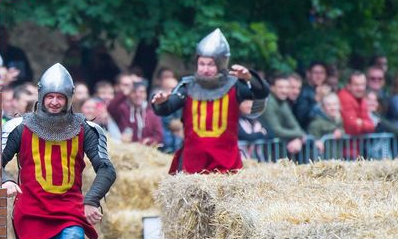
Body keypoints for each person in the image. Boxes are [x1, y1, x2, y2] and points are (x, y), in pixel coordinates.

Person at [1, 63, 116, 239]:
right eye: (50, 96)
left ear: (69, 98)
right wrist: (6, 181)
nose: (54, 102)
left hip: (69, 212)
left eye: (60, 97)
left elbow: (106, 168)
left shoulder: (86, 129)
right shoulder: (19, 127)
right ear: (41, 96)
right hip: (32, 212)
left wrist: (91, 200)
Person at [151, 29, 269, 174]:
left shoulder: (235, 86)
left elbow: (261, 92)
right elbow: (167, 108)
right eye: (202, 64)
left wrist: (249, 77)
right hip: (192, 162)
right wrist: (161, 102)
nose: (205, 69)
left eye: (210, 64)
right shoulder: (187, 86)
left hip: (226, 162)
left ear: (220, 64)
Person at [106, 79, 163, 146]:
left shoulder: (151, 113)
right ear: (129, 94)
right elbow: (111, 107)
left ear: (146, 94)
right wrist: (125, 92)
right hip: (126, 149)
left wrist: (145, 142)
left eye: (141, 92)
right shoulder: (123, 110)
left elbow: (159, 137)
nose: (138, 95)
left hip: (146, 150)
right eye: (134, 92)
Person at [264, 74, 308, 157]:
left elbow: (294, 124)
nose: (284, 91)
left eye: (287, 87)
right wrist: (301, 134)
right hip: (266, 148)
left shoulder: (282, 102)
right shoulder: (269, 103)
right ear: (272, 88)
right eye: (280, 87)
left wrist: (298, 138)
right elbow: (276, 130)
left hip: (278, 147)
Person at [338, 72, 375, 137]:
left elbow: (371, 126)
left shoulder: (361, 98)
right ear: (348, 86)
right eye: (356, 85)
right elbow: (352, 127)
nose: (360, 88)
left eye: (362, 85)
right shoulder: (345, 97)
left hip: (357, 142)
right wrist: (365, 124)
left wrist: (361, 123)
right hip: (347, 142)